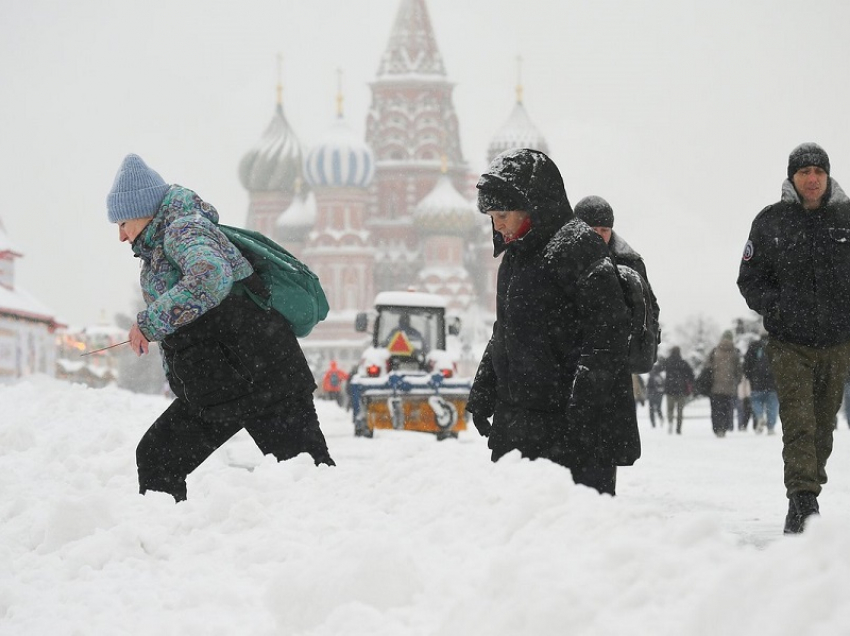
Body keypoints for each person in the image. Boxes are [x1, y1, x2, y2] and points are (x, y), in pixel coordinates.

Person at [107, 153, 335, 502]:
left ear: (143, 209)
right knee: (157, 458)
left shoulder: (184, 228)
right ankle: (167, 544)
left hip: (265, 378)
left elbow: (211, 276)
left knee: (308, 478)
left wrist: (150, 323)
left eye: (123, 223)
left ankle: (346, 548)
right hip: (218, 384)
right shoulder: (160, 242)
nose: (121, 236)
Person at [465, 149, 640, 496]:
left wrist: (583, 396)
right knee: (525, 528)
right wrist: (484, 388)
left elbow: (607, 333)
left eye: (503, 213)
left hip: (574, 431)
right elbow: (506, 332)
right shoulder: (516, 259)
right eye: (491, 216)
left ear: (532, 205)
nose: (497, 224)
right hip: (524, 422)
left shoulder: (578, 249)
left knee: (576, 530)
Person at [738, 142, 850, 534]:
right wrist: (778, 307)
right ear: (792, 178)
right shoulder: (771, 222)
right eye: (804, 172)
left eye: (819, 171)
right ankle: (803, 500)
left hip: (838, 343)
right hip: (790, 343)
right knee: (799, 421)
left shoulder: (847, 219)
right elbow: (749, 280)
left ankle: (808, 490)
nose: (813, 178)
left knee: (823, 424)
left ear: (827, 175)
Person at [574, 195, 660, 331]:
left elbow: (649, 312)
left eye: (604, 230)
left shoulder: (631, 264)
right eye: (593, 229)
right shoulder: (559, 262)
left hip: (618, 347)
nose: (598, 235)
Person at [704, 331, 742, 438]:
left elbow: (707, 367)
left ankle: (717, 428)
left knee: (716, 408)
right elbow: (738, 370)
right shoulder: (734, 353)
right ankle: (724, 428)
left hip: (714, 386)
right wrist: (737, 381)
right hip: (729, 386)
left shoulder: (714, 351)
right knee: (726, 408)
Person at [743, 330, 779, 435]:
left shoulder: (754, 346)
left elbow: (747, 364)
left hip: (757, 382)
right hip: (773, 382)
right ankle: (771, 427)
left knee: (756, 401)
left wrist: (749, 376)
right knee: (772, 404)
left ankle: (759, 416)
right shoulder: (776, 346)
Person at [658, 346, 694, 435]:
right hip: (681, 389)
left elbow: (658, 368)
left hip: (670, 389)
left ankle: (670, 422)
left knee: (670, 409)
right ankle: (678, 427)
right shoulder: (683, 363)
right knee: (680, 410)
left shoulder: (668, 362)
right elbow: (691, 374)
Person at [646, 363, 665, 428]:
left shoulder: (651, 377)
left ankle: (653, 423)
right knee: (658, 408)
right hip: (659, 394)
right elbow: (663, 385)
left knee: (651, 409)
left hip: (652, 394)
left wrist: (648, 394)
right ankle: (661, 418)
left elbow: (648, 386)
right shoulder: (660, 377)